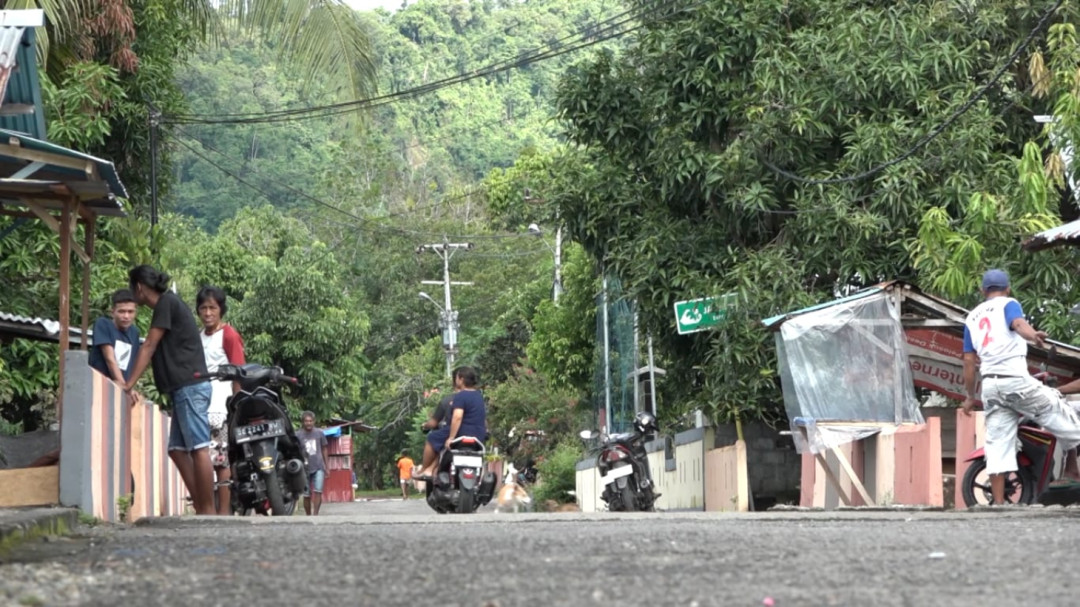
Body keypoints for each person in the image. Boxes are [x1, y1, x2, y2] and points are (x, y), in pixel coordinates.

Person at [961, 269, 1080, 505]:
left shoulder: (971, 318)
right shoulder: (1008, 303)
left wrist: (968, 396)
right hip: (1016, 381)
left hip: (991, 387)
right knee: (1061, 412)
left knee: (997, 445)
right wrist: (1033, 335)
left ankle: (998, 505)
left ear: (982, 291)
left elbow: (968, 361)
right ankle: (1071, 467)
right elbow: (1017, 323)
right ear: (1008, 288)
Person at [123, 265, 216, 515]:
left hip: (190, 385)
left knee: (199, 448)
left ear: (140, 288)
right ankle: (201, 505)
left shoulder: (166, 303)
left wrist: (128, 383)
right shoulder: (168, 304)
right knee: (176, 450)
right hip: (182, 388)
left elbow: (150, 344)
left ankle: (209, 512)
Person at [197, 286, 246, 516]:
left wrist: (236, 405)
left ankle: (224, 511)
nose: (208, 313)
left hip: (222, 405)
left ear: (221, 310)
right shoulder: (199, 337)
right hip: (202, 404)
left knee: (221, 460)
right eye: (204, 308)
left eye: (212, 308)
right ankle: (208, 509)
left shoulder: (228, 335)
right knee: (203, 458)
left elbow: (238, 372)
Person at [414, 366, 487, 479]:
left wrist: (451, 437)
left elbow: (457, 417)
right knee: (445, 447)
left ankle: (425, 469)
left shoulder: (460, 396)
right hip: (478, 434)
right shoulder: (479, 396)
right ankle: (430, 469)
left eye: (457, 377)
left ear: (461, 379)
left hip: (461, 432)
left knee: (432, 438)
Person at [88, 289, 142, 394]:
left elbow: (133, 364)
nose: (126, 316)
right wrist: (126, 388)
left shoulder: (135, 333)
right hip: (98, 386)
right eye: (121, 311)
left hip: (121, 390)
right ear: (112, 312)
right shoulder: (103, 324)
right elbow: (110, 358)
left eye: (130, 312)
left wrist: (128, 387)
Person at [297, 411, 330, 515]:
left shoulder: (319, 433)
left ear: (314, 422)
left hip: (318, 466)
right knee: (306, 494)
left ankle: (315, 514)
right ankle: (308, 515)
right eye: (306, 421)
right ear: (303, 422)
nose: (309, 423)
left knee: (318, 491)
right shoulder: (298, 435)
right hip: (304, 468)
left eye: (311, 421)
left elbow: (324, 449)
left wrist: (327, 466)